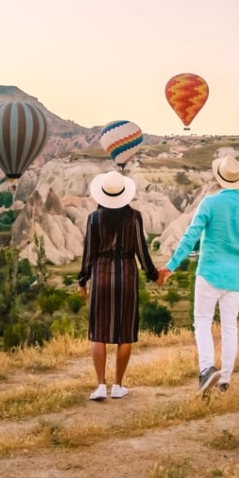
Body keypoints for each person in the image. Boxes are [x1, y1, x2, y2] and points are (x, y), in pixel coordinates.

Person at [158, 155, 239, 397]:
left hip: (209, 274)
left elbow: (190, 237)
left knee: (202, 322)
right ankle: (225, 377)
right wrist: (237, 254)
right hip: (235, 279)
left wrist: (170, 266)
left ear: (219, 178)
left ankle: (206, 369)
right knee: (229, 327)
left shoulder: (209, 203)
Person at [78, 170, 159, 401]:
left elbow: (88, 254)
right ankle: (118, 386)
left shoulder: (94, 218)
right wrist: (153, 275)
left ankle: (100, 385)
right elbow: (142, 252)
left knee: (98, 333)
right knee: (125, 333)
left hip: (100, 275)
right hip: (126, 275)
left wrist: (82, 280)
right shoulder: (134, 217)